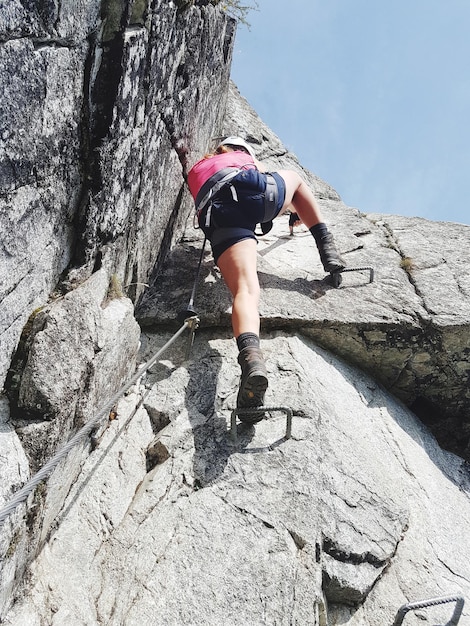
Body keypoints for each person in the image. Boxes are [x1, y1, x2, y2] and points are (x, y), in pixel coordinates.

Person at [187, 136, 345, 422]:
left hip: (217, 214)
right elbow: (261, 180)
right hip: (249, 190)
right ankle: (326, 246)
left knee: (244, 291)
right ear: (242, 150)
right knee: (295, 179)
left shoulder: (203, 165)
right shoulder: (243, 157)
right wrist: (294, 210)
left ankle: (251, 360)